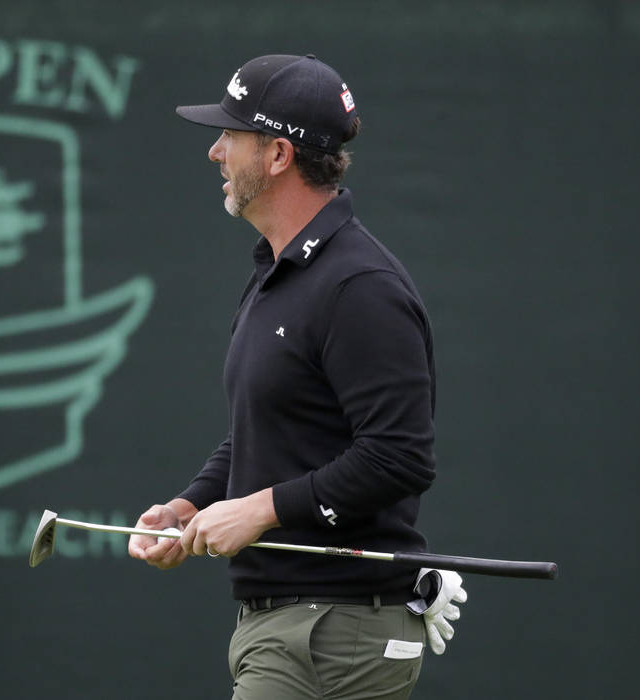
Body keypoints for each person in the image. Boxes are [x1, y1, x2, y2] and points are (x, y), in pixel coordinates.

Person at [129, 53, 466, 700]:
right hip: (290, 626)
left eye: (230, 136)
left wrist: (259, 510)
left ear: (279, 155)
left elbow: (399, 457)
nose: (215, 152)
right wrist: (192, 504)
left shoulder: (359, 287)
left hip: (334, 633)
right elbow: (267, 424)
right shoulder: (279, 272)